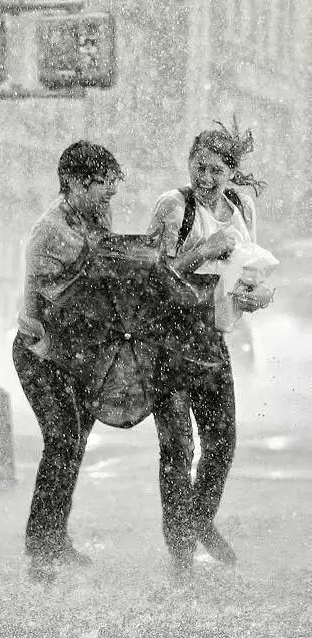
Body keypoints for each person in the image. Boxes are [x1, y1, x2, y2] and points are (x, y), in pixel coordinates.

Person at [147, 118, 274, 575]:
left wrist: (256, 296)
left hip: (213, 341)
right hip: (167, 343)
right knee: (178, 449)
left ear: (231, 172)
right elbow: (154, 278)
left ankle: (199, 520)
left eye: (216, 170)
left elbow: (248, 272)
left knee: (222, 442)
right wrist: (205, 250)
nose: (205, 179)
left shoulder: (241, 206)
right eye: (198, 167)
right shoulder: (172, 207)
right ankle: (180, 552)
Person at [12, 140, 124, 580]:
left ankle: (54, 537)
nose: (109, 198)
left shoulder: (97, 216)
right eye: (102, 188)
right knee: (61, 440)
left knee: (74, 445)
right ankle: (40, 550)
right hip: (41, 351)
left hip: (81, 353)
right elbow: (59, 307)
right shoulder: (49, 233)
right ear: (76, 184)